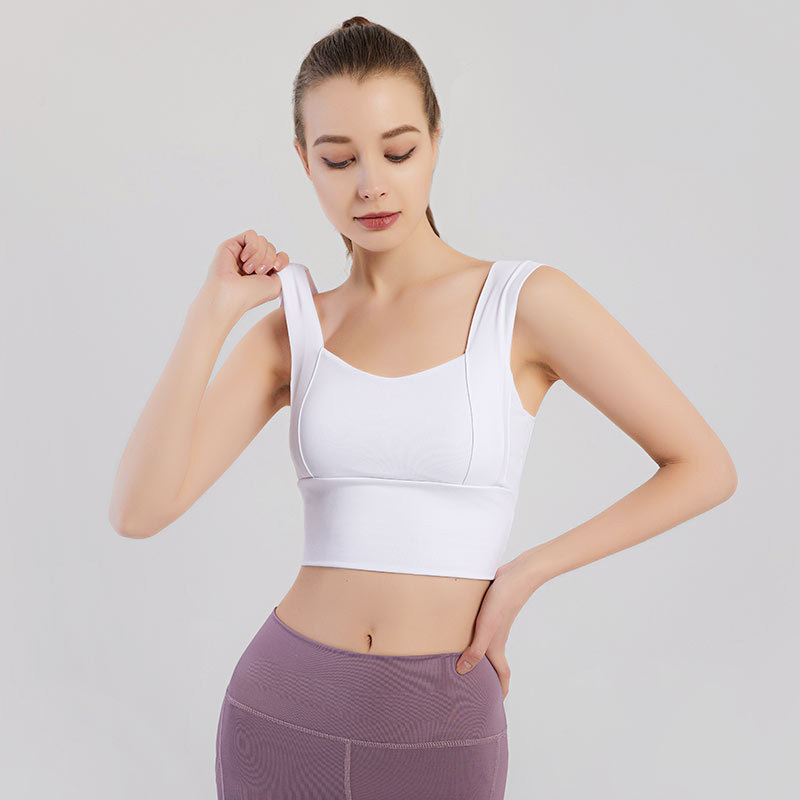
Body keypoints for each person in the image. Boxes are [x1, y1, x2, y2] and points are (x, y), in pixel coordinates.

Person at [108, 15, 738, 800]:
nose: (371, 184)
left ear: (436, 141)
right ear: (304, 162)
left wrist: (525, 574)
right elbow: (137, 510)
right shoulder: (296, 329)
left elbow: (704, 467)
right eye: (338, 159)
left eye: (398, 151)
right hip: (281, 711)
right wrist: (211, 313)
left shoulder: (523, 303)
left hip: (441, 720)